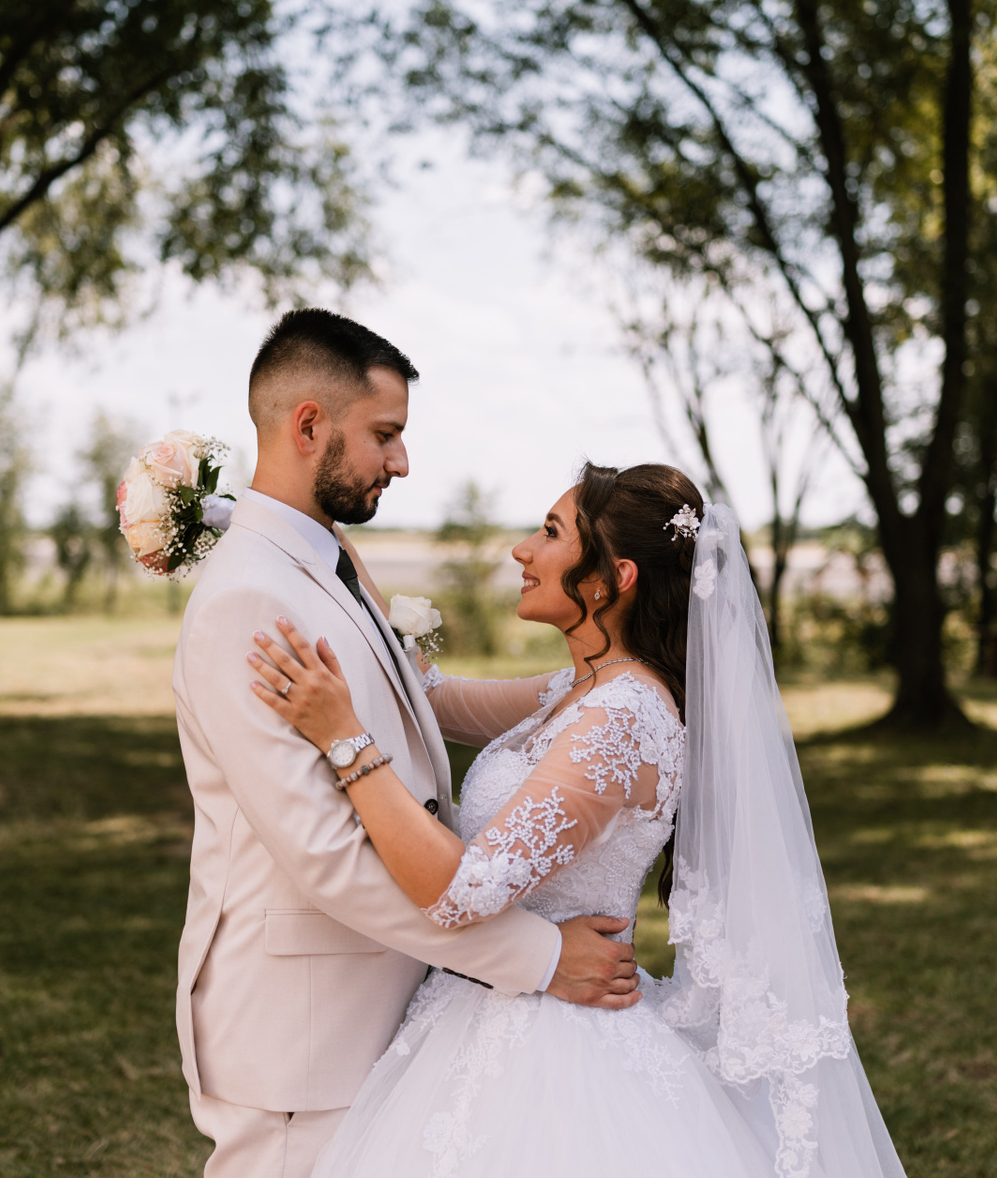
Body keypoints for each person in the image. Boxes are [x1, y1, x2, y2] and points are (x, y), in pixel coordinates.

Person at [247, 462, 910, 1178]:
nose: (522, 550)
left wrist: (344, 739)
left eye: (550, 532)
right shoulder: (584, 686)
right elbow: (431, 697)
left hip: (553, 1051)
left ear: (610, 579)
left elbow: (463, 890)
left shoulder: (622, 718)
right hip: (492, 1006)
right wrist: (321, 536)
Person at [171, 309, 640, 1178]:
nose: (403, 460)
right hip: (302, 1036)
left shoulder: (331, 560)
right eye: (384, 434)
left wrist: (622, 682)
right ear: (309, 426)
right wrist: (540, 957)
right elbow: (328, 858)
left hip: (387, 1008)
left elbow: (425, 702)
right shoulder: (249, 599)